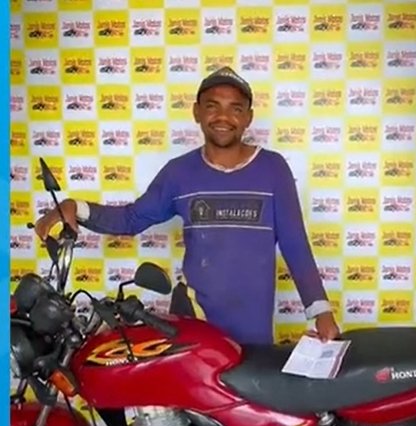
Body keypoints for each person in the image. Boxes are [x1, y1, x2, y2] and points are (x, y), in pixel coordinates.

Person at [35, 66, 340, 345]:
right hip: (193, 320)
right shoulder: (179, 173)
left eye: (235, 109)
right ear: (196, 112)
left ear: (248, 117)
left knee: (247, 388)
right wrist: (76, 207)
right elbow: (132, 218)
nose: (223, 117)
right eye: (212, 106)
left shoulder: (273, 169)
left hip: (253, 329)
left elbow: (295, 244)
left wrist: (321, 311)